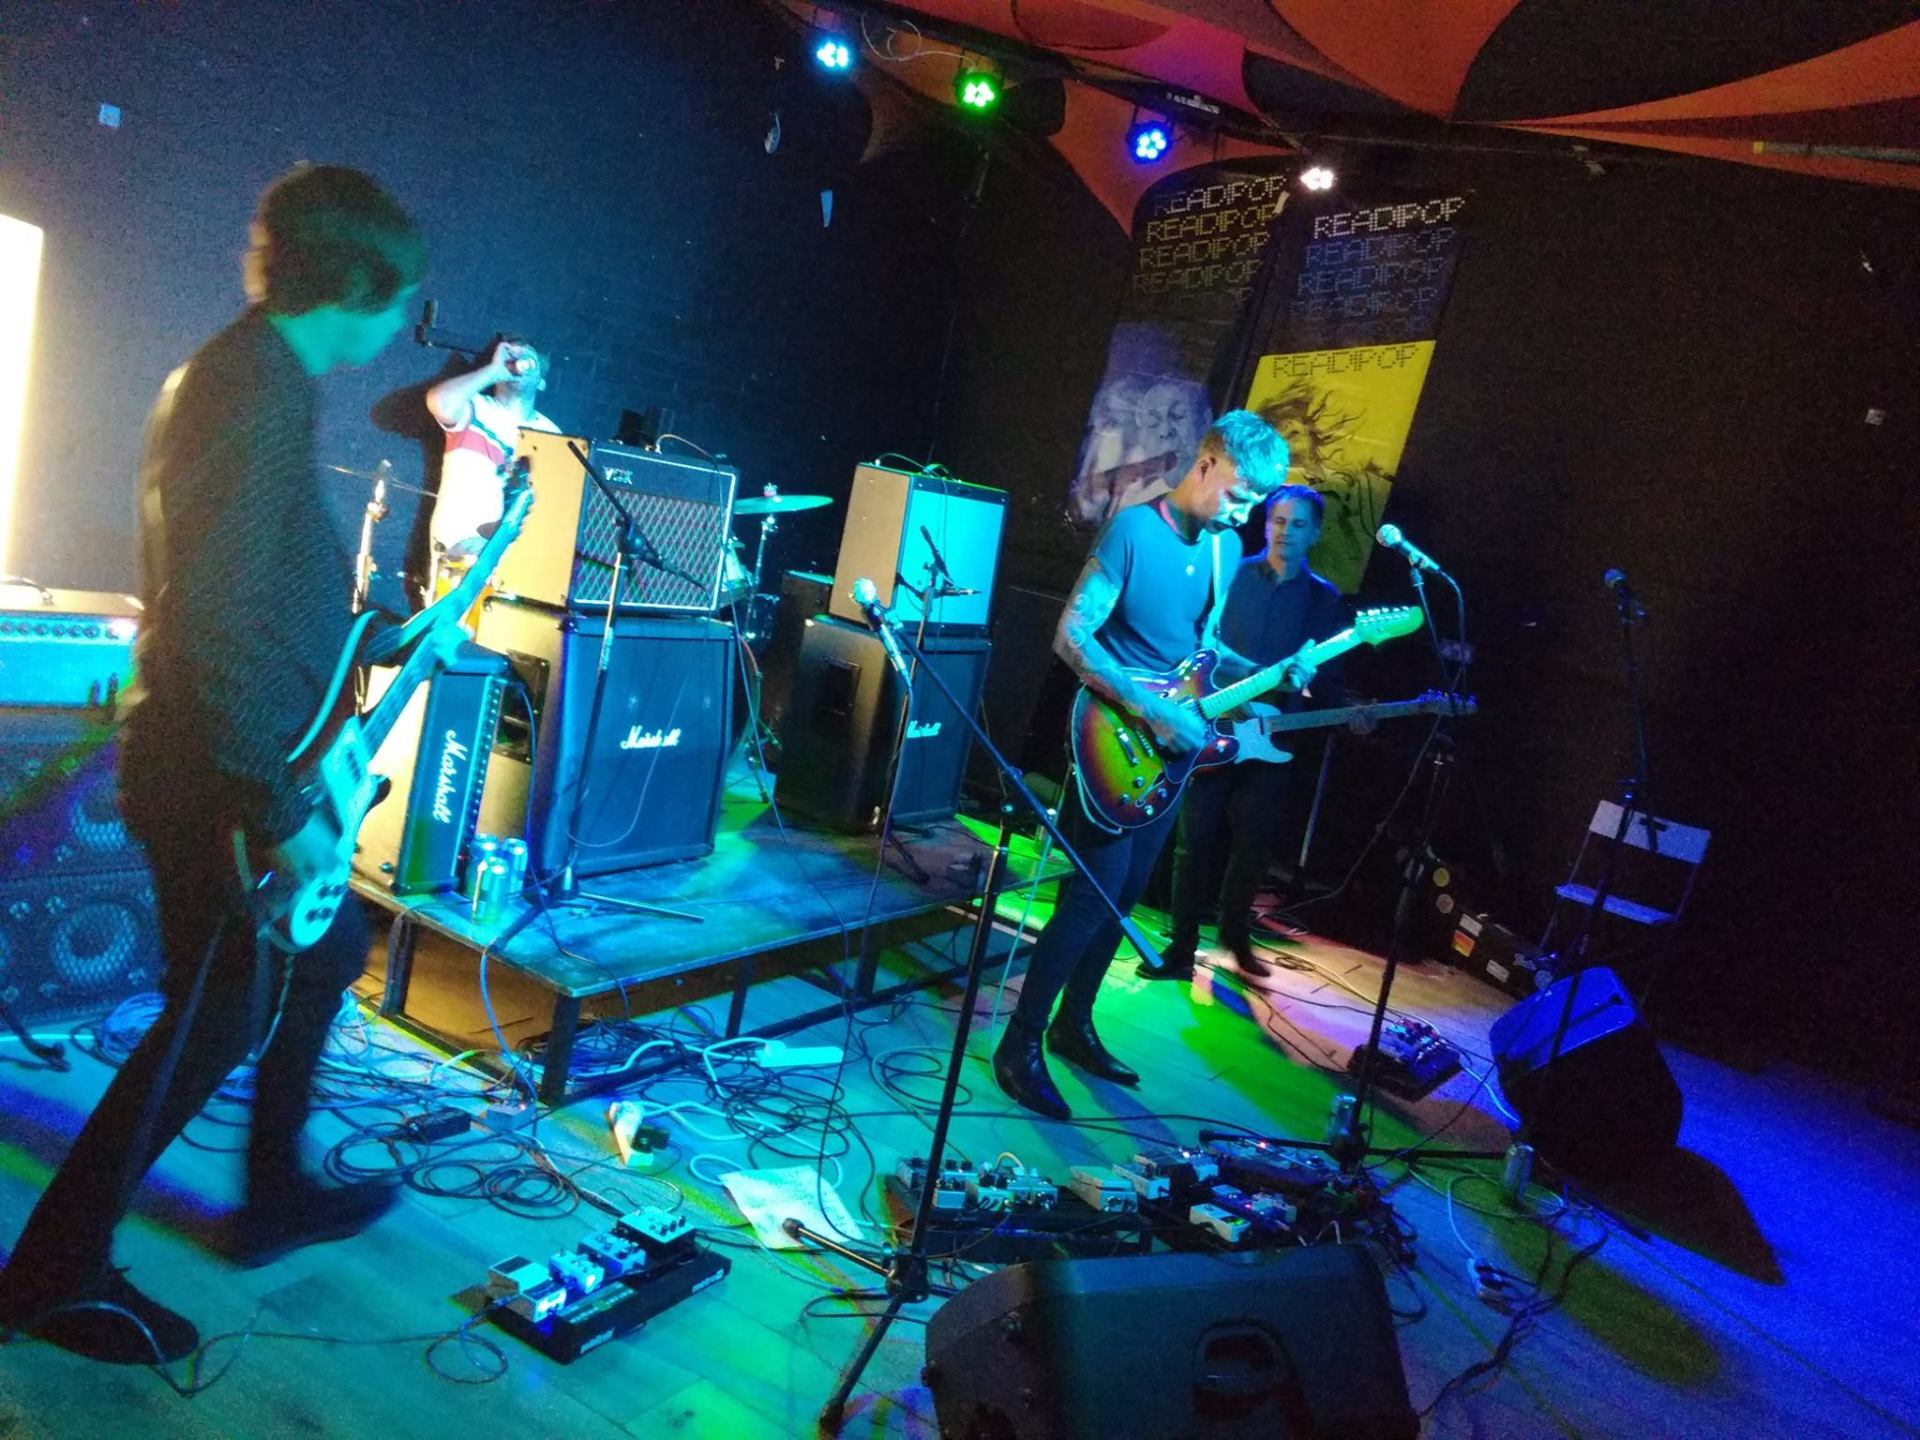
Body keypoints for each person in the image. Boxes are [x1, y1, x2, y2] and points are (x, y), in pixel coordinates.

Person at [0, 165, 431, 1365]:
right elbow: (222, 621)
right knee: (208, 1018)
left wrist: (376, 639)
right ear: (348, 284)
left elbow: (260, 594)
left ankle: (272, 1196)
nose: (401, 326)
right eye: (397, 300)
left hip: (219, 758)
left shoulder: (255, 380)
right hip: (216, 771)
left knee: (323, 954)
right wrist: (281, 796)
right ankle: (51, 1275)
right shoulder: (250, 395)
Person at [993, 411, 1301, 1120]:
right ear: (1206, 462)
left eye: (1259, 499)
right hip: (1110, 741)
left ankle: (1075, 1026)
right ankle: (1019, 1043)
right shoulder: (1133, 531)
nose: (1248, 511)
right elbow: (1071, 633)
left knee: (1126, 895)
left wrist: (1274, 671)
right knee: (1087, 899)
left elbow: (1204, 651)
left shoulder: (1223, 551)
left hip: (1166, 758)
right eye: (1240, 492)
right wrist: (1147, 705)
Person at [1152, 484, 1356, 982]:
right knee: (1194, 842)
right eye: (1278, 521)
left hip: (1271, 741)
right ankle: (1179, 951)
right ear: (1266, 523)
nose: (1285, 532)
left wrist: (1334, 697)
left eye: (1298, 524)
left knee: (1253, 845)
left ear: (1316, 532)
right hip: (1213, 726)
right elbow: (1200, 645)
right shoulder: (1232, 576)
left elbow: (1329, 680)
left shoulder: (1324, 601)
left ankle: (1234, 939)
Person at [424, 335, 557, 576]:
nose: (518, 363)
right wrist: (494, 370)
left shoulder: (551, 434)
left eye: (528, 361)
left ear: (541, 382)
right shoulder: (475, 408)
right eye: (512, 357)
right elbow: (440, 402)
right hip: (461, 554)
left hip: (515, 564)